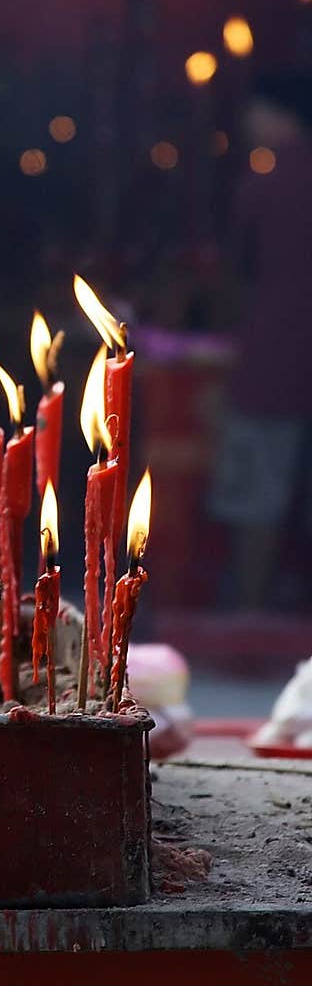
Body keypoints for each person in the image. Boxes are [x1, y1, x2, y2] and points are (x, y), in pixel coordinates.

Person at [209, 70, 312, 608]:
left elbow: (236, 269)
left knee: (259, 497)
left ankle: (249, 610)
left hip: (275, 356)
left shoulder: (267, 182)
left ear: (279, 113)